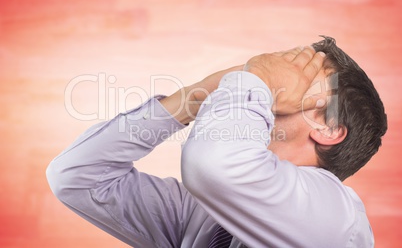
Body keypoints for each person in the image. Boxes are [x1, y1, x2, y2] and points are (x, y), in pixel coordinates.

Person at [46, 36, 387, 247]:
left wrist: (258, 79)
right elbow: (77, 177)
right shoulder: (204, 215)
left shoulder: (337, 216)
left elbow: (215, 165)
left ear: (328, 129)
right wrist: (196, 97)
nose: (280, 79)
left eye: (302, 77)